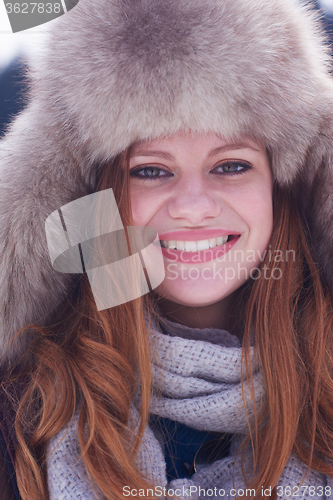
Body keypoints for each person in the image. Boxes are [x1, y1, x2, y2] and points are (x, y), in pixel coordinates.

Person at [1, 0, 333, 499]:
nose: (193, 208)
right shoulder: (20, 418)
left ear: (282, 190)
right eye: (151, 170)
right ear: (95, 198)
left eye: (232, 165)